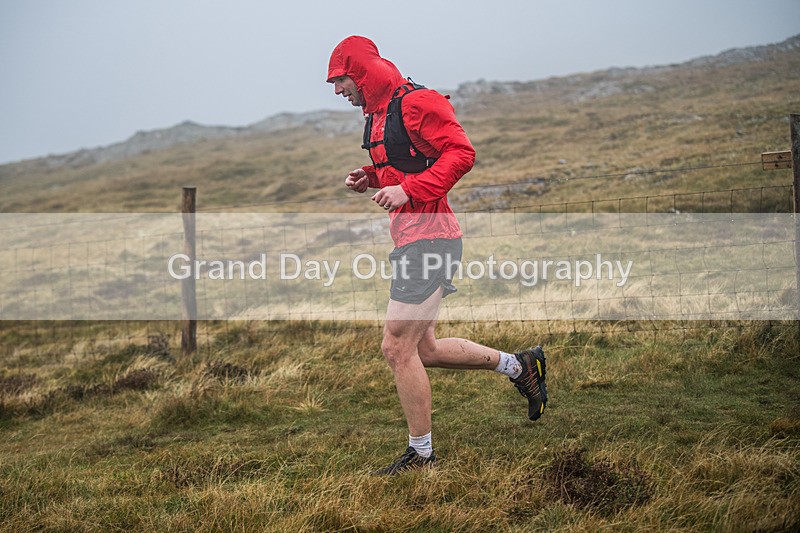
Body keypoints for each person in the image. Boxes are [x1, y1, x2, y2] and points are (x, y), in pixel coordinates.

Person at [327, 36, 547, 475]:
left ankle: (422, 455)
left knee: (395, 347)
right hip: (415, 237)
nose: (337, 91)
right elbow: (406, 163)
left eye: (340, 79)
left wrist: (406, 190)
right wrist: (371, 178)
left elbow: (461, 154)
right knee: (421, 348)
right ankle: (520, 365)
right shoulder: (378, 113)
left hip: (431, 239)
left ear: (362, 73)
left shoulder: (416, 102)